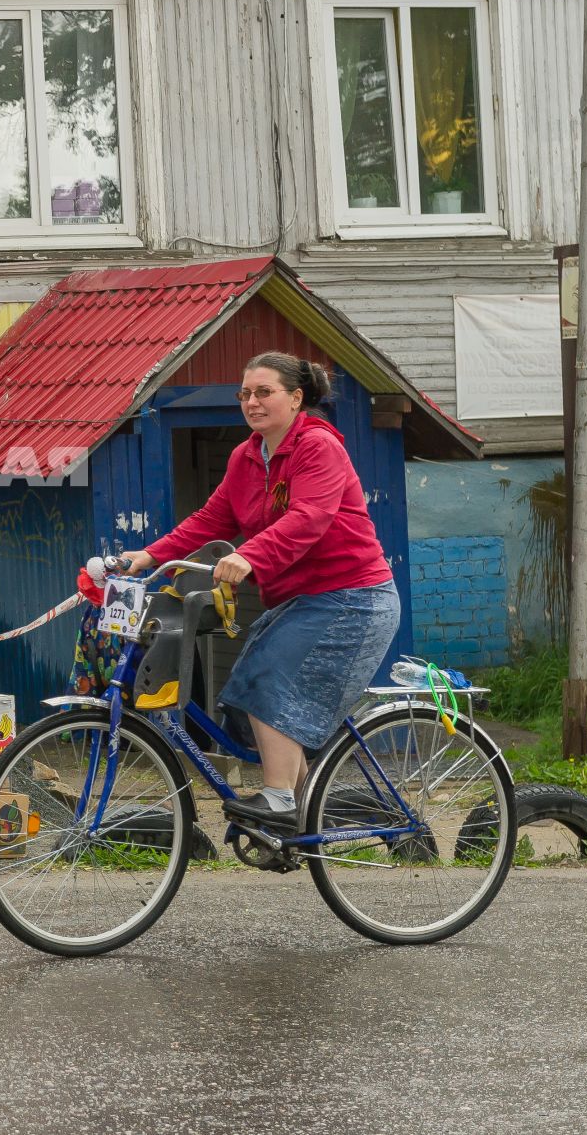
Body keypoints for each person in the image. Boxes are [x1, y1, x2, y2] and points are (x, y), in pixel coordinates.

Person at [122, 352, 401, 828]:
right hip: (299, 600)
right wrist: (148, 556)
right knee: (246, 686)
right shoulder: (247, 455)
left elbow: (309, 516)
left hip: (353, 597)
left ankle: (279, 802)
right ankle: (301, 815)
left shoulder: (318, 447)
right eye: (245, 393)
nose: (252, 402)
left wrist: (250, 555)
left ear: (296, 399)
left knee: (273, 681)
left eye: (264, 392)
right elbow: (212, 519)